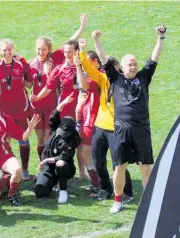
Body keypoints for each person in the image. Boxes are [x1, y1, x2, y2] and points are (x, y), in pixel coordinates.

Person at [92, 25, 165, 213]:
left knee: (146, 167)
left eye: (134, 64)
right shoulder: (115, 78)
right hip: (122, 130)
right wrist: (97, 41)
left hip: (141, 129)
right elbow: (103, 59)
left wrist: (160, 38)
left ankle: (148, 202)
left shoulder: (143, 77)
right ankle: (118, 200)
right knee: (120, 166)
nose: (133, 67)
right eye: (129, 65)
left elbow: (154, 59)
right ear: (122, 68)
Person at [28, 13, 88, 166]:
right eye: (38, 49)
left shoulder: (54, 59)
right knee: (42, 138)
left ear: (48, 50)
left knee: (54, 135)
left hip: (54, 104)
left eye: (43, 49)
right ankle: (45, 165)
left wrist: (81, 27)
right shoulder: (31, 63)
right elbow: (28, 82)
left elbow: (70, 44)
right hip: (40, 105)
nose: (40, 52)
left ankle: (68, 165)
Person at [78, 39, 134, 201]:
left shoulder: (125, 82)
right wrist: (82, 51)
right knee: (98, 159)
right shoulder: (102, 78)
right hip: (100, 126)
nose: (108, 71)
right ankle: (106, 189)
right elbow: (89, 68)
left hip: (117, 127)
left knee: (119, 163)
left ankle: (127, 192)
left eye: (112, 68)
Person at [0, 90, 41, 206]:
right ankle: (0, 183)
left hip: (2, 154)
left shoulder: (6, 119)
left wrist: (30, 128)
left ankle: (12, 195)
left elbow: (22, 137)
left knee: (17, 170)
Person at [0, 38, 34, 180]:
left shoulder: (20, 64)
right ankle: (4, 169)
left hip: (22, 108)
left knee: (24, 139)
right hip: (5, 111)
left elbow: (29, 84)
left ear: (13, 49)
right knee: (5, 140)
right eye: (4, 50)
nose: (7, 52)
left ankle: (25, 170)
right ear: (0, 51)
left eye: (9, 49)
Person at [34, 94, 81, 203]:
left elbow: (62, 157)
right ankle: (50, 181)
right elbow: (54, 116)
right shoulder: (55, 128)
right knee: (40, 191)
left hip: (65, 168)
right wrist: (63, 103)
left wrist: (45, 160)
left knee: (60, 163)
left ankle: (63, 189)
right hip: (48, 168)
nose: (62, 134)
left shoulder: (72, 140)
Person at [73, 51, 102, 191]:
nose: (85, 68)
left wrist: (79, 67)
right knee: (87, 152)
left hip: (96, 119)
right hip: (88, 119)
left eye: (87, 63)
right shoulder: (91, 74)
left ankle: (100, 183)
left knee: (91, 152)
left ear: (95, 61)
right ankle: (98, 182)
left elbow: (84, 86)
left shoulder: (99, 75)